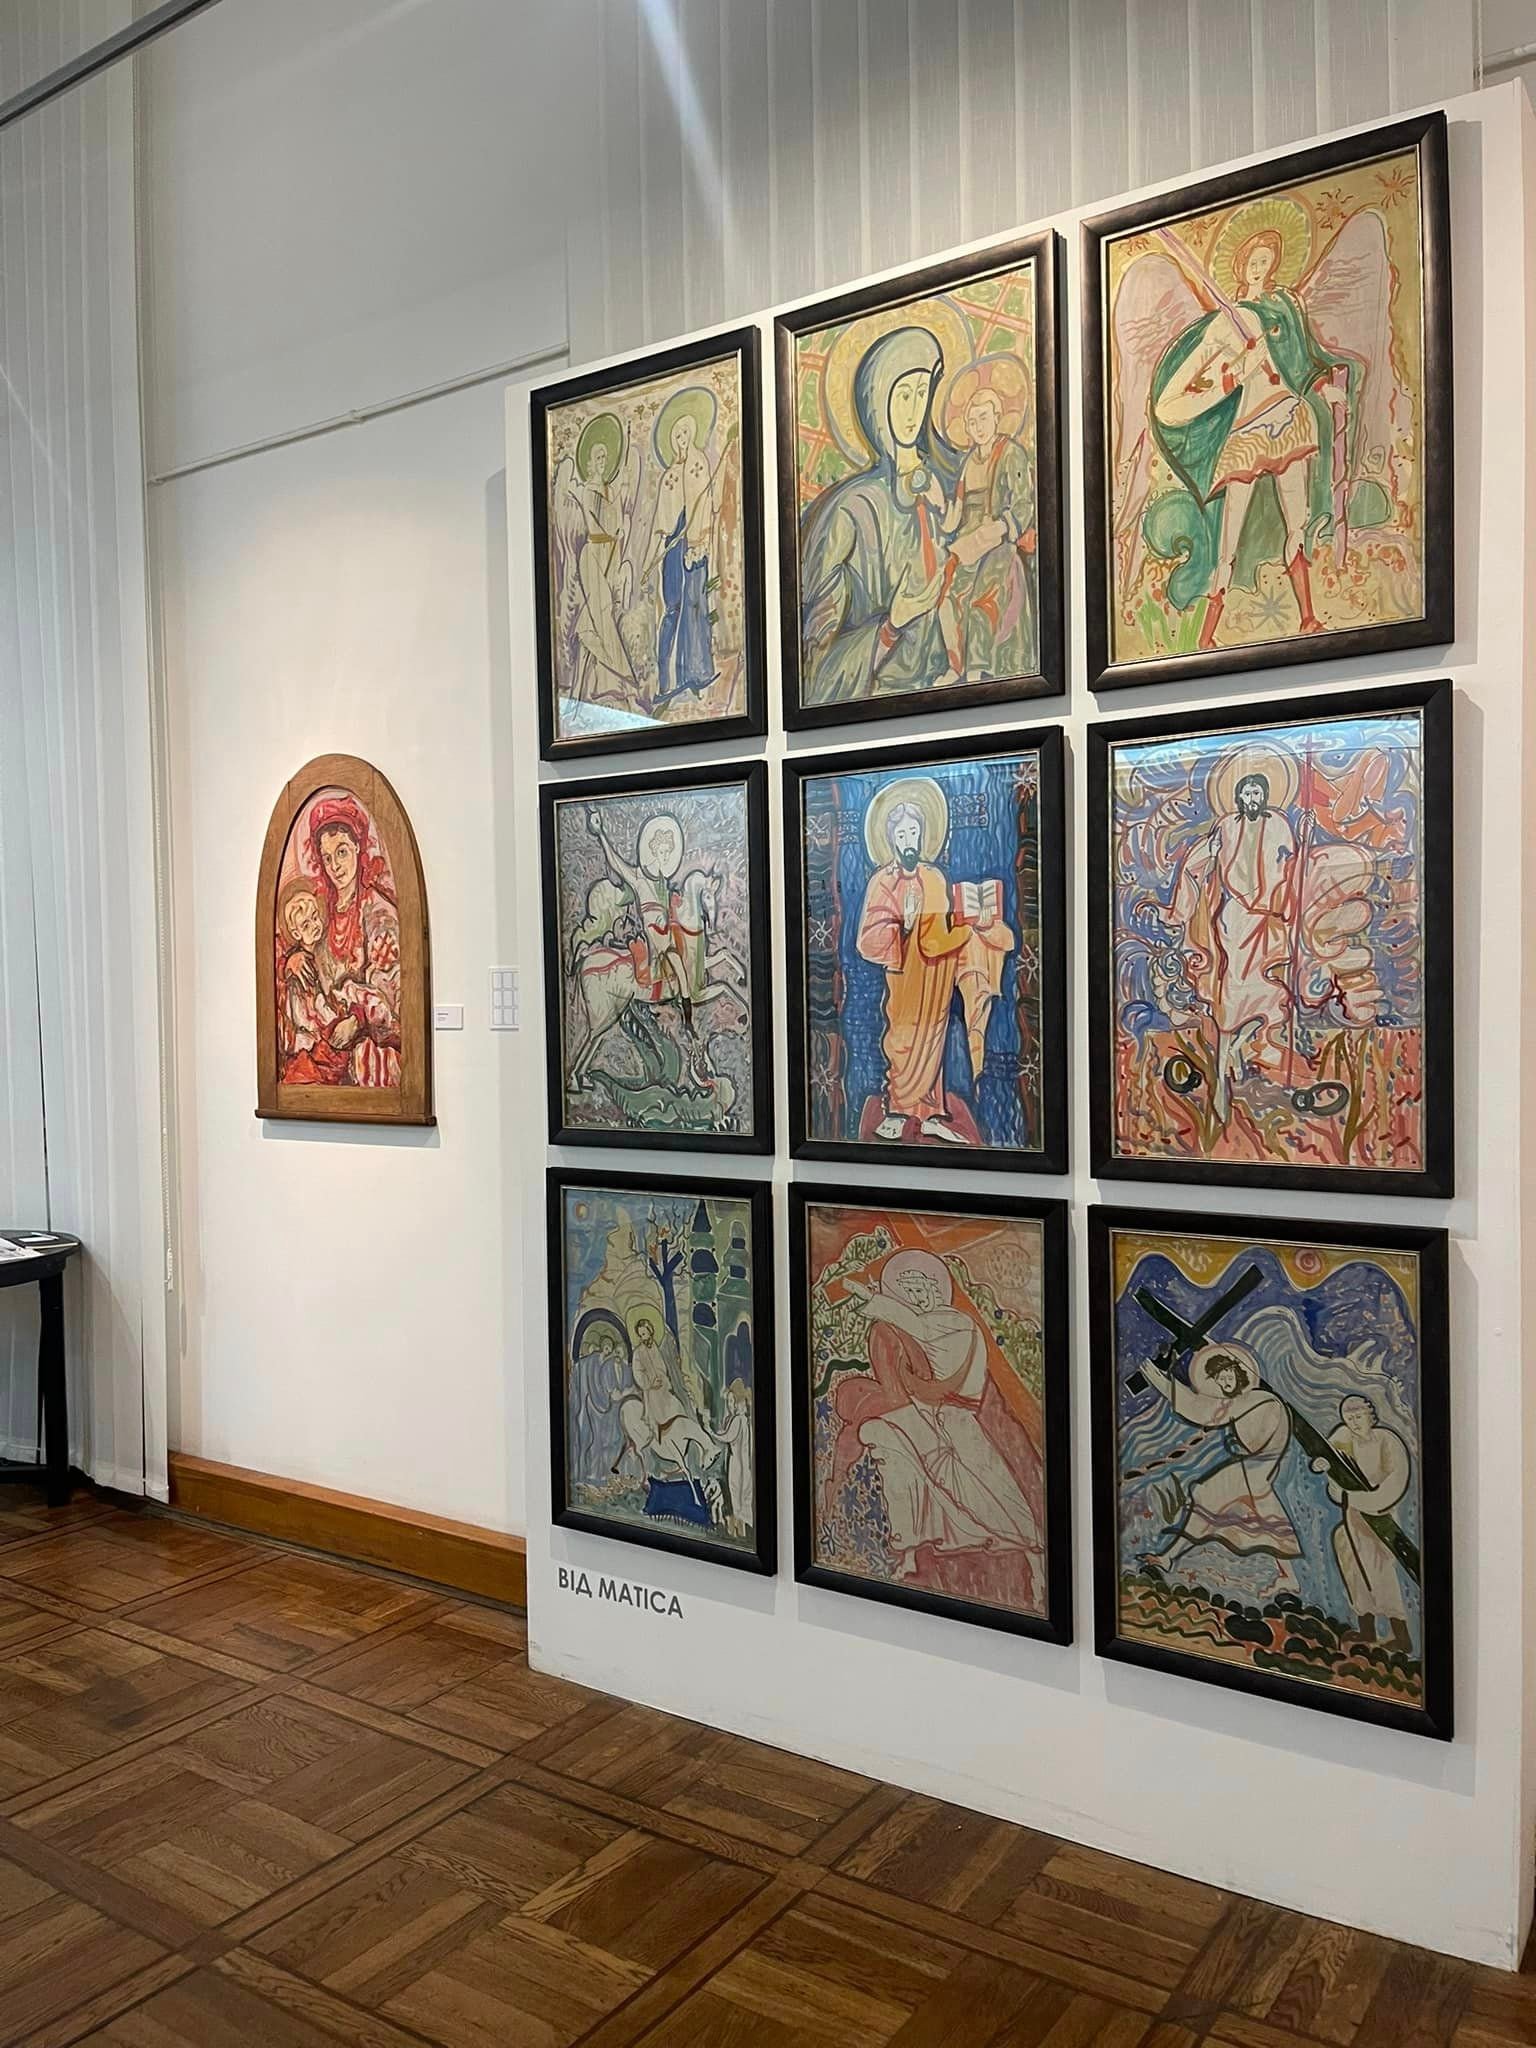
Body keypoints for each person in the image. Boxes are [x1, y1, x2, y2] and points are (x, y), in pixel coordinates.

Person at [1151, 228, 1347, 647]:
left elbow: (1302, 360)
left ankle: (1308, 618)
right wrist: (1235, 373)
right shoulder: (1226, 323)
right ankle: (1207, 637)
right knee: (1230, 535)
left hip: (1288, 416)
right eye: (1253, 261)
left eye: (1265, 261)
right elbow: (1172, 401)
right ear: (1241, 268)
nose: (1259, 268)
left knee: (1297, 519)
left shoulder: (1285, 308)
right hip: (1246, 432)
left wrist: (1324, 387)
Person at [825, 1250, 1040, 1586]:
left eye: (919, 1290)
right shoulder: (924, 1329)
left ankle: (1034, 1554)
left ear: (937, 1290)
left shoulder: (954, 1322)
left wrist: (873, 1299)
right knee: (926, 1476)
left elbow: (917, 1325)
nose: (915, 1298)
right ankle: (915, 1551)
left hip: (960, 1417)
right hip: (936, 1415)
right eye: (908, 1292)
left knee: (993, 1487)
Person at [798, 325, 963, 705]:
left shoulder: (953, 481)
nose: (913, 410)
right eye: (902, 395)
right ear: (877, 404)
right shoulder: (853, 509)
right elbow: (815, 668)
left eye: (921, 392)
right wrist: (892, 625)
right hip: (886, 696)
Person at [855, 796, 1013, 1143]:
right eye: (901, 834)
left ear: (923, 834)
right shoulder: (882, 882)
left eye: (913, 832)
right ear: (890, 839)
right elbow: (867, 939)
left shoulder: (934, 877)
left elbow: (940, 932)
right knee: (902, 1042)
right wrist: (905, 923)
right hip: (904, 977)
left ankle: (928, 1113)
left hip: (936, 975)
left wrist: (973, 924)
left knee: (933, 1043)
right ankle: (897, 1111)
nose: (908, 840)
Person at [1167, 771, 1295, 1120]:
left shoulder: (1279, 823)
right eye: (1247, 793)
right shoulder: (1225, 826)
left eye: (1258, 793)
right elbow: (1199, 861)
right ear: (1239, 797)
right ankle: (1224, 1067)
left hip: (1267, 918)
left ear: (1266, 795)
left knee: (1270, 993)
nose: (1253, 799)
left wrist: (1303, 839)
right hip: (1233, 918)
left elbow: (1290, 866)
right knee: (1231, 994)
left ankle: (1235, 1050)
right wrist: (1202, 865)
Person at [1136, 1342, 1300, 1578]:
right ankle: (1290, 1578)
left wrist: (1159, 1380)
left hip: (1257, 1466)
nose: (1225, 1382)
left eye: (1228, 1375)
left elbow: (1200, 1409)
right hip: (1256, 1468)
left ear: (1240, 1372)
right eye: (1219, 1379)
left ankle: (1168, 1557)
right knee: (1267, 1516)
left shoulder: (1255, 1399)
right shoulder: (1246, 1403)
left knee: (1208, 1495)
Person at [296, 796, 403, 1088]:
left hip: (373, 1056)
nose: (336, 866)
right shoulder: (321, 914)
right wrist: (294, 958)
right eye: (327, 857)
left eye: (342, 852)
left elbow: (391, 995)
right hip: (332, 1051)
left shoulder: (378, 912)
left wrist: (357, 1021)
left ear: (357, 847)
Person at [935, 386, 1037, 681]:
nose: (978, 427)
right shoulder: (968, 462)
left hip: (998, 542)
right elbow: (958, 513)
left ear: (996, 418)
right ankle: (955, 666)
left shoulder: (1011, 454)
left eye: (983, 418)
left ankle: (977, 669)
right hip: (968, 543)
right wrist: (945, 518)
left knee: (982, 600)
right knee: (947, 598)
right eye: (972, 421)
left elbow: (1023, 504)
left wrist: (1000, 527)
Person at [642, 395, 724, 704]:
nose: (682, 439)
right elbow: (661, 521)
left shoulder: (699, 465)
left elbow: (705, 506)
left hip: (695, 544)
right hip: (673, 548)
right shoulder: (669, 476)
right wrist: (654, 554)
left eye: (686, 432)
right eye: (677, 435)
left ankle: (697, 672)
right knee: (672, 607)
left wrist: (698, 542)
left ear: (694, 433)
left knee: (695, 606)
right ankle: (666, 680)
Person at [1314, 1394, 1413, 1652]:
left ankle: (1401, 1635)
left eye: (1358, 1417)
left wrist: (1356, 1498)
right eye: (1349, 1418)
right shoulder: (1345, 1438)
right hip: (1352, 1516)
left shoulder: (1387, 1441)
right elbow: (1330, 1461)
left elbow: (1395, 1483)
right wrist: (1324, 1465)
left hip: (1380, 1518)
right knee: (1352, 1565)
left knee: (1380, 1571)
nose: (1354, 1423)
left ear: (1371, 1416)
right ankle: (1366, 1629)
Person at [275, 879, 352, 1085]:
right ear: (296, 933)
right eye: (306, 925)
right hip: (310, 1043)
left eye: (315, 917)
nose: (314, 926)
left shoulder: (323, 950)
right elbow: (309, 1013)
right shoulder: (299, 968)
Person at [715, 1377, 754, 1534]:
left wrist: (710, 1432)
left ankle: (738, 1530)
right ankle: (743, 1529)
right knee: (743, 1496)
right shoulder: (745, 1420)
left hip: (737, 1463)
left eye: (731, 1401)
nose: (729, 1405)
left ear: (738, 1402)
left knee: (736, 1493)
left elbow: (727, 1437)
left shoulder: (738, 1420)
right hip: (744, 1464)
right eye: (728, 1402)